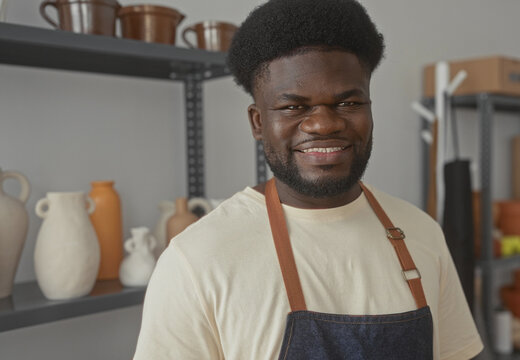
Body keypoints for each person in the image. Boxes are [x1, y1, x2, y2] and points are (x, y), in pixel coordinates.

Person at [134, 0, 483, 359]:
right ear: (258, 122)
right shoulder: (197, 260)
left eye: (348, 104)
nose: (324, 124)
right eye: (293, 107)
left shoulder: (421, 232)